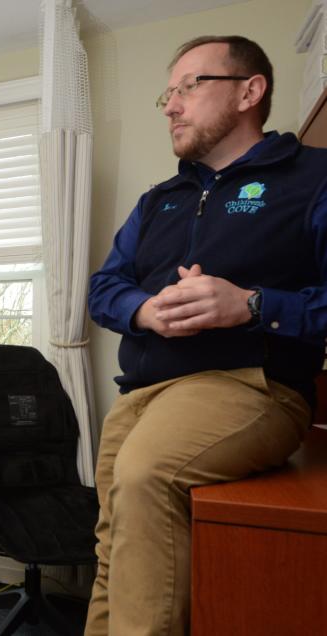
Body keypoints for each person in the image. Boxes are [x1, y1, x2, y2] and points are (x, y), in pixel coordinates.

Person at [85, 35, 327, 635]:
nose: (171, 104)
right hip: (141, 392)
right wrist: (145, 312)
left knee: (144, 476)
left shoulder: (313, 179)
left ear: (250, 91)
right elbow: (103, 288)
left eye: (190, 86)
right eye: (167, 92)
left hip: (249, 385)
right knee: (114, 539)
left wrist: (250, 305)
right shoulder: (158, 201)